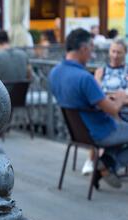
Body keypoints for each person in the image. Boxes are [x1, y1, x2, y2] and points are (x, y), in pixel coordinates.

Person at [49, 28, 128, 188]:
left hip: (77, 132)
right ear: (84, 48)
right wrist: (120, 98)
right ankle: (108, 163)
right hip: (100, 132)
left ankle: (104, 164)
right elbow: (112, 110)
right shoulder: (85, 78)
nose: (92, 54)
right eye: (91, 49)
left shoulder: (55, 72)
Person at [81, 39, 128, 175]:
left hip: (122, 110)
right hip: (106, 112)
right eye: (113, 51)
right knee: (110, 121)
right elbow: (95, 94)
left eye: (119, 52)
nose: (115, 55)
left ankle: (104, 163)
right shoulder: (101, 71)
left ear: (125, 53)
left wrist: (117, 99)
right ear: (109, 52)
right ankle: (105, 164)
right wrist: (118, 97)